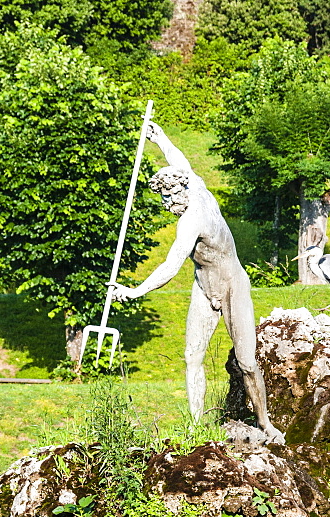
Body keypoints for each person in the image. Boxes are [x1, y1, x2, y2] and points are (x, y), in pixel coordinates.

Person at [112, 122, 284, 444]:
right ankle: (194, 429)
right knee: (192, 356)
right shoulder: (191, 182)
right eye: (163, 199)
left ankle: (265, 423)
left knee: (247, 362)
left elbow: (171, 264)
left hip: (233, 284)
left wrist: (135, 291)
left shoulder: (193, 219)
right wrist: (160, 137)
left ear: (181, 192)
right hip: (204, 286)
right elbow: (180, 161)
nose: (167, 206)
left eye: (168, 199)